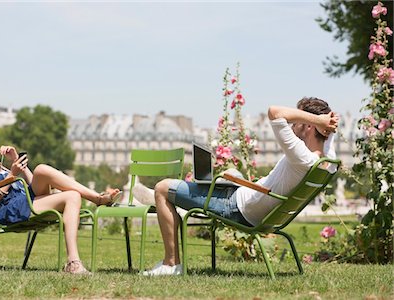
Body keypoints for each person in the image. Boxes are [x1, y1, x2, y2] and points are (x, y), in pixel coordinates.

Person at [143, 97, 339, 276]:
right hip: (243, 195)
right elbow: (325, 140)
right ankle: (169, 196)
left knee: (162, 188)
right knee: (226, 175)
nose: (293, 124)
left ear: (310, 126)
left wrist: (318, 121)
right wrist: (324, 124)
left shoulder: (301, 156)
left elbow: (274, 112)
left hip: (235, 207)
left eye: (298, 121)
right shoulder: (327, 162)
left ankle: (170, 264)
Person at [0, 123, 121, 275]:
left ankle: (97, 198)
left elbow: (32, 182)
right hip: (11, 210)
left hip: (25, 200)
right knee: (72, 196)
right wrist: (11, 175)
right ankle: (74, 262)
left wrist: (16, 161)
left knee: (41, 169)